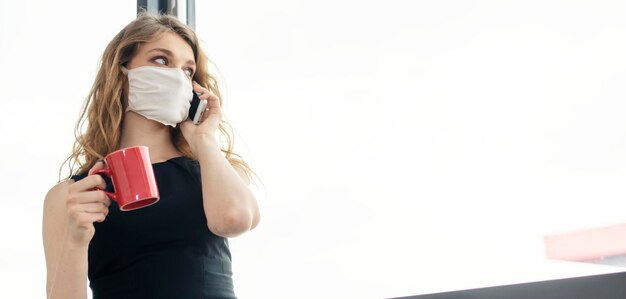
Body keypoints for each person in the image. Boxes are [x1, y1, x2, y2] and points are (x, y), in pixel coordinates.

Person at [42, 12, 260, 299]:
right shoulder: (73, 195)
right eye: (161, 60)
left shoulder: (213, 169)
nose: (176, 77)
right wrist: (76, 238)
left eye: (187, 71)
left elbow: (234, 219)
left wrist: (203, 138)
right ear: (121, 74)